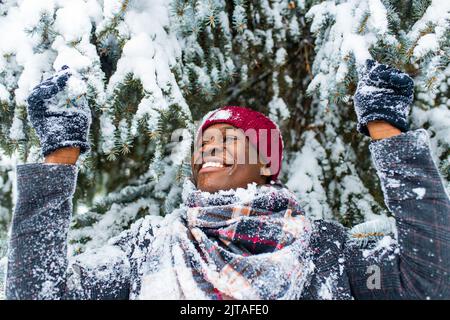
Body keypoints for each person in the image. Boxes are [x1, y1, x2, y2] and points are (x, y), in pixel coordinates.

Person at [5, 61, 450, 300]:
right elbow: (40, 293)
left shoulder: (326, 250)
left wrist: (386, 131)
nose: (210, 147)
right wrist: (59, 157)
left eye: (231, 137)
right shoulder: (147, 248)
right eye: (204, 142)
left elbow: (430, 279)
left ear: (267, 164)